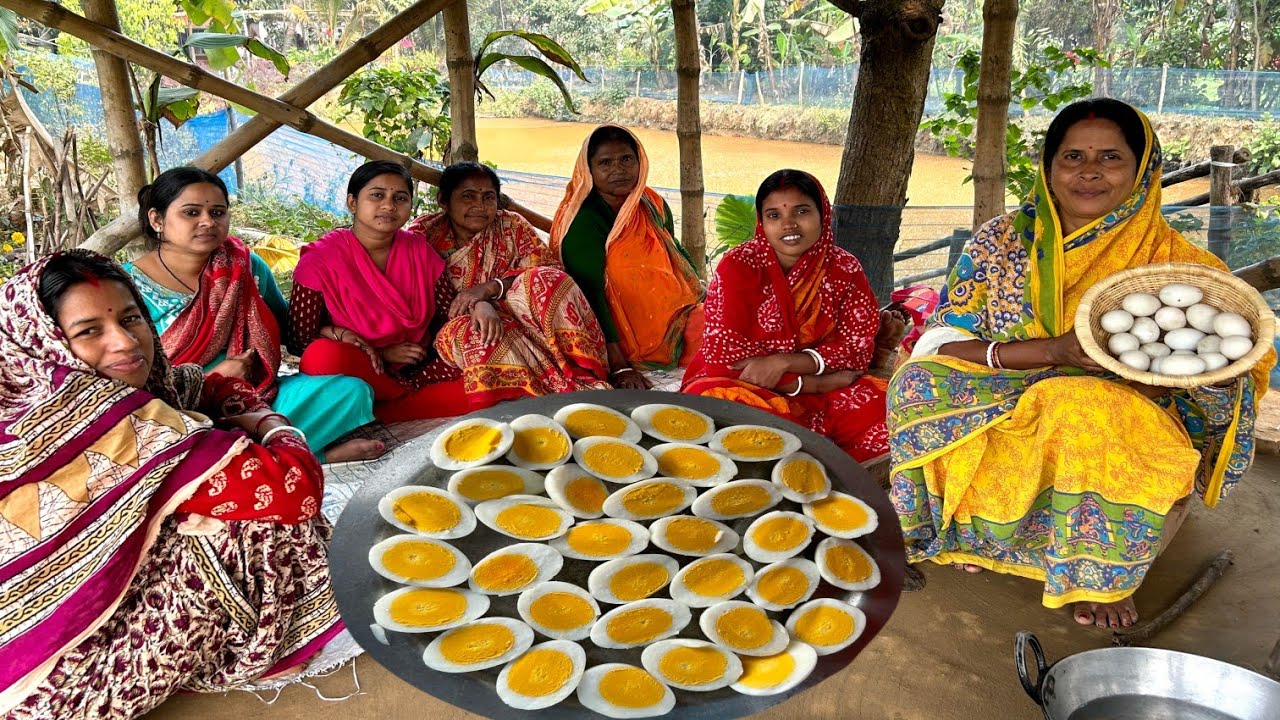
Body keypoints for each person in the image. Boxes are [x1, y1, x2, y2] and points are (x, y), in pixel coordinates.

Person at [887, 98, 1275, 629]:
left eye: (1110, 157)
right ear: (1049, 168)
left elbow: (1229, 372)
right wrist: (1053, 353)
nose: (1089, 171)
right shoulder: (1000, 243)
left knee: (1080, 404)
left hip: (1128, 405)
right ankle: (975, 533)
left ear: (1141, 171)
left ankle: (1100, 573)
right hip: (1008, 382)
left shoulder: (1182, 267)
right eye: (1072, 157)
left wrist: (1153, 377)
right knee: (916, 386)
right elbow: (943, 340)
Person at [0, 251, 345, 719]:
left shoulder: (22, 389)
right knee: (261, 523)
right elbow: (294, 487)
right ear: (46, 342)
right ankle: (263, 637)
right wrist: (266, 422)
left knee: (214, 466)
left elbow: (194, 384)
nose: (125, 342)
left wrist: (228, 400)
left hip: (30, 644)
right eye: (88, 332)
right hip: (54, 683)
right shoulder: (107, 414)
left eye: (131, 318)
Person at [124, 167, 382, 464]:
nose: (207, 221)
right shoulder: (126, 288)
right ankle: (311, 454)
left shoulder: (243, 265)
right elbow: (131, 386)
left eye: (218, 212)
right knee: (174, 437)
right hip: (179, 410)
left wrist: (335, 331)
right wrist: (210, 381)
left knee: (350, 392)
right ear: (157, 220)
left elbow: (291, 331)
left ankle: (253, 458)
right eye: (191, 213)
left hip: (257, 396)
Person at [682, 170, 891, 463]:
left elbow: (855, 349)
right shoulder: (738, 266)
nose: (788, 224)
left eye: (801, 211)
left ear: (823, 214)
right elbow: (725, 356)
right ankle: (808, 457)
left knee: (889, 406)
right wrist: (811, 383)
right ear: (762, 222)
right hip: (744, 385)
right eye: (774, 216)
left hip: (824, 387)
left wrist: (784, 362)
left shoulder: (844, 268)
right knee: (718, 403)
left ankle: (825, 461)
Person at [407, 162, 611, 404]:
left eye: (488, 197)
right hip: (459, 322)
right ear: (443, 200)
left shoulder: (511, 226)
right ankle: (525, 396)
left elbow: (549, 269)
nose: (479, 206)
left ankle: (579, 373)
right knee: (476, 334)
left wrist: (491, 289)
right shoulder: (425, 234)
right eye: (468, 197)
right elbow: (424, 299)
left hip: (523, 317)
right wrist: (479, 306)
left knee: (547, 279)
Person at [290, 160, 471, 423]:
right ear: (352, 203)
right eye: (377, 195)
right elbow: (299, 341)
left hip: (421, 368)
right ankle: (403, 404)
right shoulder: (321, 259)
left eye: (400, 198)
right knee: (322, 356)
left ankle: (380, 410)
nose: (388, 205)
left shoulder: (418, 251)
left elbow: (448, 316)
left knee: (478, 352)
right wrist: (376, 351)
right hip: (358, 368)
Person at [549, 125, 704, 389]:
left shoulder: (651, 203)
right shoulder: (584, 221)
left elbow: (673, 251)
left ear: (639, 160)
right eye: (605, 163)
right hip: (621, 335)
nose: (618, 169)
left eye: (626, 159)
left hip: (674, 316)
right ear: (589, 170)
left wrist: (704, 292)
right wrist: (619, 365)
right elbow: (591, 295)